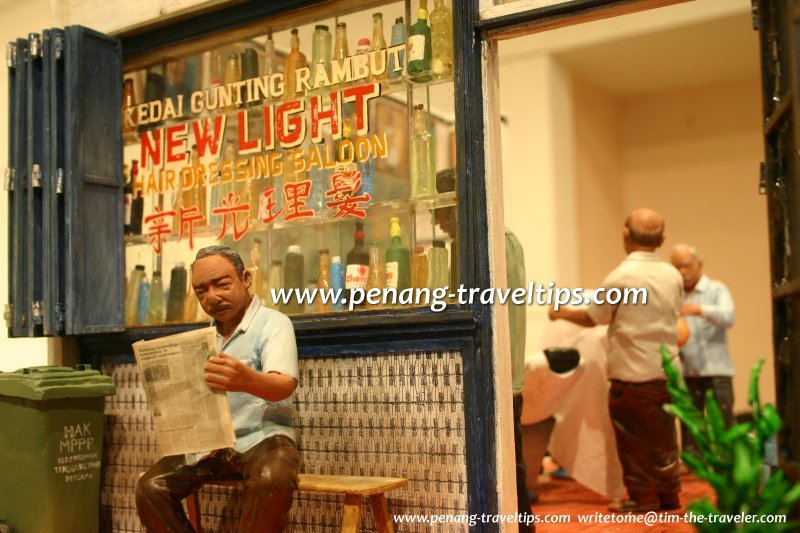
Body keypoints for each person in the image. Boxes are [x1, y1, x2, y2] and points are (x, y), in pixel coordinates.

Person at [136, 245, 300, 532]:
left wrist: (245, 379)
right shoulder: (204, 338)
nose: (212, 297)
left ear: (245, 279)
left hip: (261, 439)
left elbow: (283, 386)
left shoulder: (273, 323)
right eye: (201, 291)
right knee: (150, 487)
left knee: (271, 477)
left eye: (222, 284)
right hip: (210, 443)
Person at [549, 208, 685, 513]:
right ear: (662, 239)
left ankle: (642, 497)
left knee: (634, 439)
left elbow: (593, 317)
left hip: (633, 372)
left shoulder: (619, 278)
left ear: (625, 235)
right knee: (664, 436)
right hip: (668, 370)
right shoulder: (673, 275)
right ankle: (669, 494)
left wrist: (561, 313)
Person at [435, 169, 534, 531]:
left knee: (507, 464)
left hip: (498, 373)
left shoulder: (489, 242)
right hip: (496, 371)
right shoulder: (484, 239)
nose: (437, 221)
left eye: (441, 210)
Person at [670, 244, 735, 455]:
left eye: (687, 266)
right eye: (677, 267)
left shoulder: (716, 289)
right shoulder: (675, 295)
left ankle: (726, 463)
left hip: (717, 370)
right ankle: (692, 468)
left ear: (699, 265)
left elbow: (728, 316)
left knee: (722, 422)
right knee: (691, 425)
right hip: (688, 371)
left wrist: (701, 310)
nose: (682, 272)